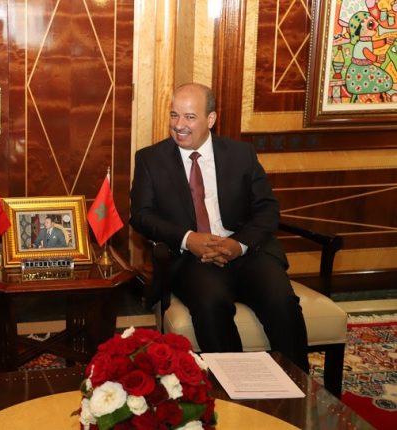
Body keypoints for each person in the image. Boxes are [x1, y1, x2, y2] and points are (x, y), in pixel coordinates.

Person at [129, 83, 309, 372]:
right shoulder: (150, 159)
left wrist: (238, 245)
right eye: (174, 115)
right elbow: (141, 215)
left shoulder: (241, 154)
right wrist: (188, 239)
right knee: (212, 303)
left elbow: (267, 209)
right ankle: (232, 387)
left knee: (281, 301)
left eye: (189, 117)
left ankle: (297, 383)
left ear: (210, 119)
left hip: (247, 252)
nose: (179, 125)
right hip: (192, 260)